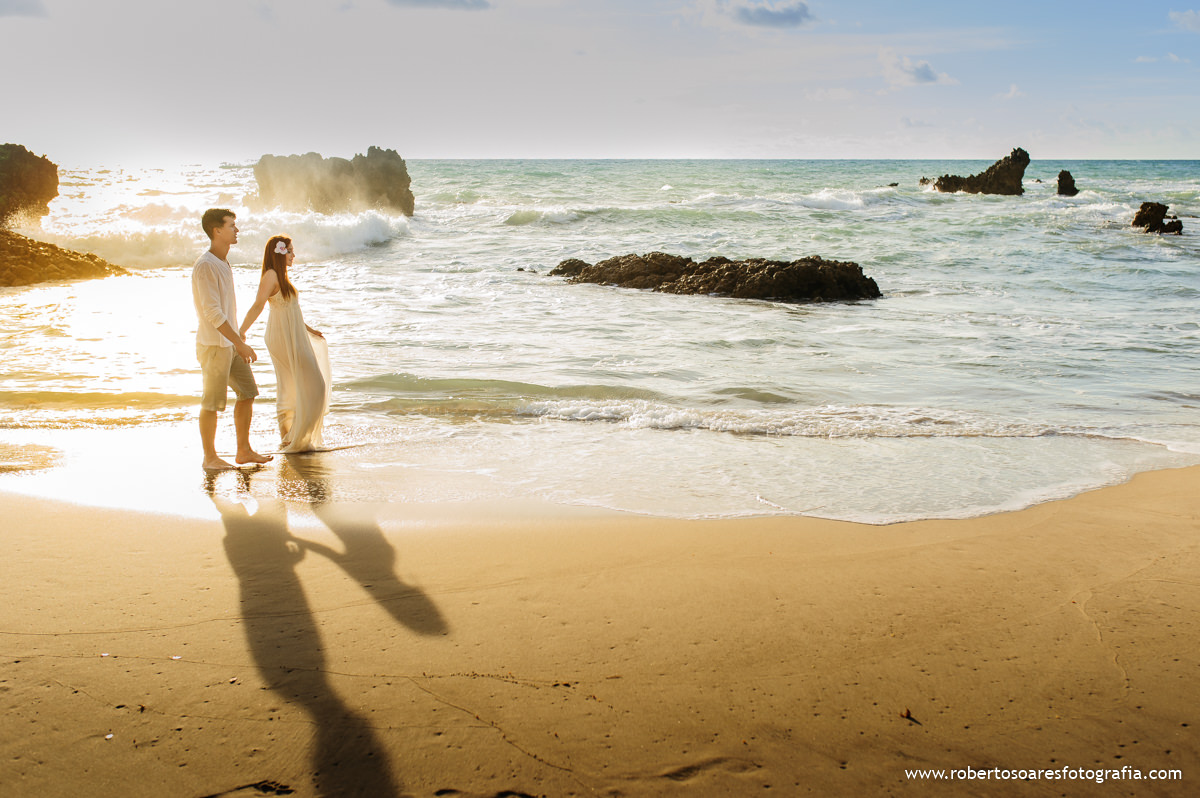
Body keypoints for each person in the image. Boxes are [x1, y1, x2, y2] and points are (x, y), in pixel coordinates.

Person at [192, 208, 273, 470]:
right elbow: (213, 313)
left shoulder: (223, 262)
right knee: (212, 403)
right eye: (231, 226)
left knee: (248, 392)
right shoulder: (206, 265)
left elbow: (225, 310)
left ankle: (243, 451)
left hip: (230, 344)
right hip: (214, 346)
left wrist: (238, 338)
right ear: (217, 231)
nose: (236, 230)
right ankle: (210, 458)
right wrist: (239, 343)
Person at [240, 235, 331, 453]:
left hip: (295, 334)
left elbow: (292, 310)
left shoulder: (283, 277)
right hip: (281, 337)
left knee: (311, 385)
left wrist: (309, 329)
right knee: (294, 385)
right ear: (279, 253)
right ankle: (288, 437)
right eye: (290, 251)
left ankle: (295, 436)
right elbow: (257, 306)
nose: (293, 255)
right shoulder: (271, 275)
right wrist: (241, 331)